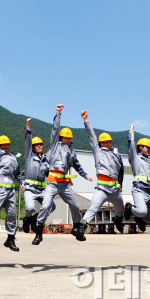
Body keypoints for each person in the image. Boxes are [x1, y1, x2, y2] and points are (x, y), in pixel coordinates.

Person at [37, 104, 92, 243]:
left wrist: (85, 175)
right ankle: (38, 232)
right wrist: (58, 114)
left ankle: (77, 229)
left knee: (75, 205)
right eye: (65, 138)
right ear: (60, 138)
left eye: (69, 138)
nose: (67, 140)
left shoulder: (71, 151)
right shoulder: (55, 145)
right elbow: (55, 130)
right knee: (45, 205)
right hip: (52, 182)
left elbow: (77, 165)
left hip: (65, 184)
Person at [75, 110, 125, 241]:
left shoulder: (116, 154)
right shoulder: (98, 152)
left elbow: (122, 171)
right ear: (100, 143)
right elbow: (92, 136)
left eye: (107, 142)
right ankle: (82, 228)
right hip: (102, 189)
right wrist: (86, 120)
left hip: (115, 190)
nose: (105, 144)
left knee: (121, 208)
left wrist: (121, 186)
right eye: (103, 142)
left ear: (111, 142)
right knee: (93, 208)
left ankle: (118, 220)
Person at [0, 119, 24, 255]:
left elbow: (18, 173)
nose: (5, 146)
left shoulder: (13, 158)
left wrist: (22, 181)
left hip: (11, 190)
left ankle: (10, 240)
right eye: (3, 145)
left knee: (12, 215)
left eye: (7, 145)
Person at [124, 124, 150, 232]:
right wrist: (131, 132)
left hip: (149, 191)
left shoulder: (148, 161)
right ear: (141, 147)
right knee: (142, 211)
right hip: (139, 189)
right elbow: (131, 146)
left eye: (149, 148)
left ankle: (141, 220)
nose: (149, 149)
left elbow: (146, 175)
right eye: (147, 147)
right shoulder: (136, 158)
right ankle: (130, 208)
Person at [23, 117, 50, 244]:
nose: (39, 146)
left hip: (42, 189)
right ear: (33, 147)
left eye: (41, 144)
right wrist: (28, 127)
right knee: (29, 208)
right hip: (30, 188)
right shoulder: (29, 156)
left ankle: (35, 219)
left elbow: (50, 175)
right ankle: (27, 219)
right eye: (36, 145)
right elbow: (27, 142)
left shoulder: (45, 160)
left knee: (52, 206)